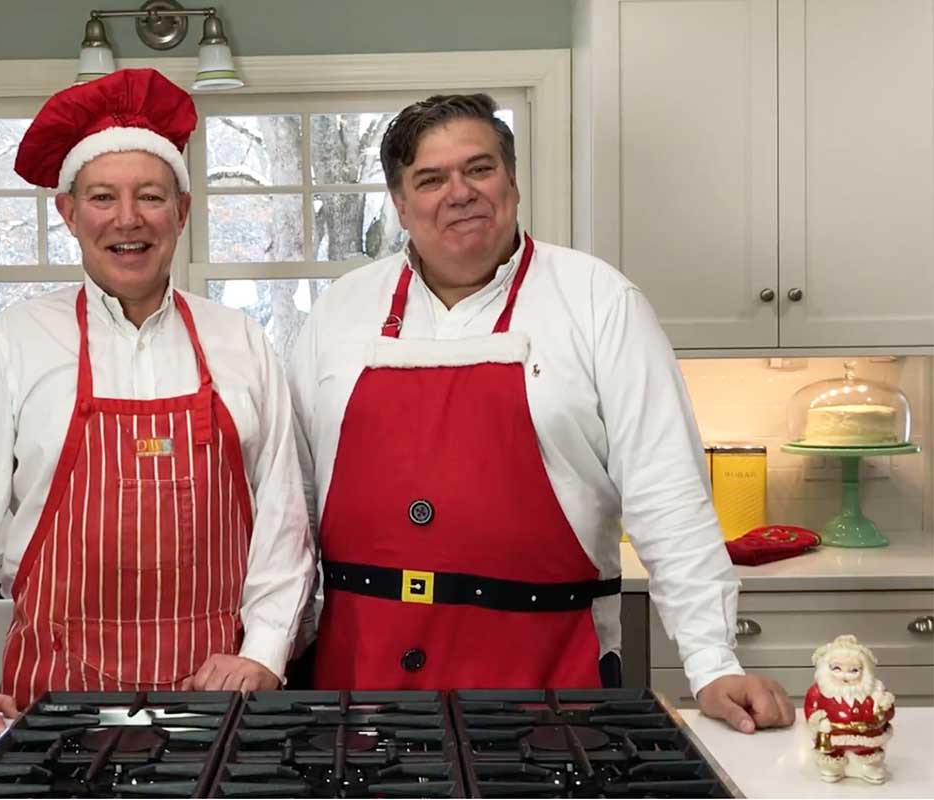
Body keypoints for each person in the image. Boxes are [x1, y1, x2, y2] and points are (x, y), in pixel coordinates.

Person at [286, 93, 794, 733]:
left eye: (480, 168)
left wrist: (712, 661)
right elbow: (293, 507)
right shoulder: (338, 314)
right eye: (431, 178)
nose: (460, 192)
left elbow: (668, 494)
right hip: (357, 681)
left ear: (513, 181)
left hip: (551, 682)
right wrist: (276, 645)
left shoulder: (598, 301)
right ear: (400, 202)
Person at [0, 69, 314, 740]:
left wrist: (262, 652)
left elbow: (282, 517)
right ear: (69, 213)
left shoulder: (238, 339)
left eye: (151, 196)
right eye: (103, 197)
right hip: (53, 698)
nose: (128, 219)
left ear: (182, 212)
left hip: (213, 699)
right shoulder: (17, 342)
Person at [805, 635, 895, 783]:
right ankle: (834, 767)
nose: (844, 675)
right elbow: (810, 708)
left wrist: (882, 714)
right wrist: (818, 721)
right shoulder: (819, 691)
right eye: (837, 669)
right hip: (833, 737)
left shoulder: (875, 691)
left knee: (869, 752)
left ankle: (868, 766)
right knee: (831, 754)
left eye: (853, 670)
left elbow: (888, 710)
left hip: (867, 737)